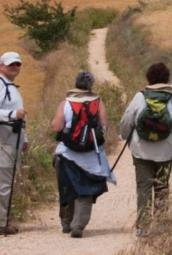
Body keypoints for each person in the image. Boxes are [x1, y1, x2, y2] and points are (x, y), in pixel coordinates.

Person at [119, 62, 172, 236]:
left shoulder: (140, 96)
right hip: (165, 151)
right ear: (167, 79)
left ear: (149, 78)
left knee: (143, 186)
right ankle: (161, 225)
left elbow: (127, 120)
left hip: (141, 149)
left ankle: (142, 227)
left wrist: (125, 136)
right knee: (161, 187)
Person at [49, 70, 115, 238]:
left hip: (67, 154)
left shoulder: (66, 102)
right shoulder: (98, 102)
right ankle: (78, 224)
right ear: (91, 85)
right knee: (85, 189)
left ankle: (66, 223)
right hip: (91, 156)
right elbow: (104, 126)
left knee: (67, 188)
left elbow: (56, 127)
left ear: (75, 83)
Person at [0, 51, 30, 235]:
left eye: (18, 64)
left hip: (11, 134)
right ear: (1, 66)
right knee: (3, 177)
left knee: (6, 177)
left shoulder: (9, 85)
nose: (15, 67)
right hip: (2, 133)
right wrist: (12, 115)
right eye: (11, 64)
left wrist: (24, 138)